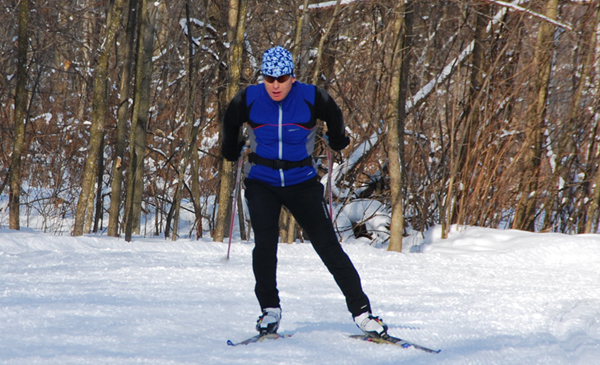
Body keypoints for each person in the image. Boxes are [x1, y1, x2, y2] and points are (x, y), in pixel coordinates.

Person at [221, 46, 388, 338]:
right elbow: (230, 120)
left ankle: (363, 313)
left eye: (281, 78)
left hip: (302, 182)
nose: (275, 85)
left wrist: (337, 139)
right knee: (265, 245)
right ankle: (269, 311)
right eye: (269, 78)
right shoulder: (249, 98)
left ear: (292, 78)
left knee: (328, 246)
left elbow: (334, 115)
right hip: (262, 181)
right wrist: (229, 148)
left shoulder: (312, 96)